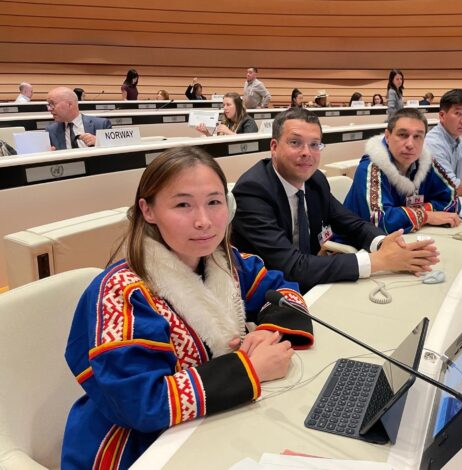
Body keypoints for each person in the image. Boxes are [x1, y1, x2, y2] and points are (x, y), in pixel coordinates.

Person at [61, 147, 313, 469]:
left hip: (213, 421)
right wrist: (249, 369)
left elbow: (284, 292)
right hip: (134, 447)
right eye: (183, 205)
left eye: (214, 202)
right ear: (148, 210)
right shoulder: (121, 292)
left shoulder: (227, 262)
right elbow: (140, 403)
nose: (204, 221)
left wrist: (266, 333)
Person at [231, 107, 440, 293]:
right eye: (295, 143)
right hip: (266, 295)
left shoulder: (315, 181)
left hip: (311, 284)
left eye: (314, 145)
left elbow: (351, 223)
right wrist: (378, 261)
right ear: (274, 147)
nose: (307, 153)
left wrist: (385, 244)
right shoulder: (253, 191)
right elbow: (291, 267)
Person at [344, 108, 461, 234]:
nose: (410, 144)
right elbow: (380, 221)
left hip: (406, 238)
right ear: (387, 137)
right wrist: (426, 216)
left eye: (417, 136)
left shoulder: (426, 163)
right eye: (402, 135)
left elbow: (452, 201)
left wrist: (417, 213)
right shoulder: (371, 167)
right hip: (353, 243)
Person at [46, 87, 112, 150]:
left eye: (52, 104)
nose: (49, 109)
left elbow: (114, 150)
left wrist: (99, 142)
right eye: (48, 105)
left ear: (70, 104)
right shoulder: (51, 131)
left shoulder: (102, 125)